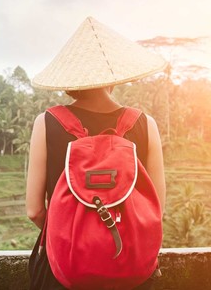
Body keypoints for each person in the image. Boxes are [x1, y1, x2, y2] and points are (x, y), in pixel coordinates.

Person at [26, 17, 167, 289]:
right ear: (113, 77)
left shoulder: (46, 122)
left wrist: (73, 235)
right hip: (130, 270)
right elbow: (156, 209)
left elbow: (34, 211)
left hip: (63, 273)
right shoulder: (145, 124)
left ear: (69, 81)